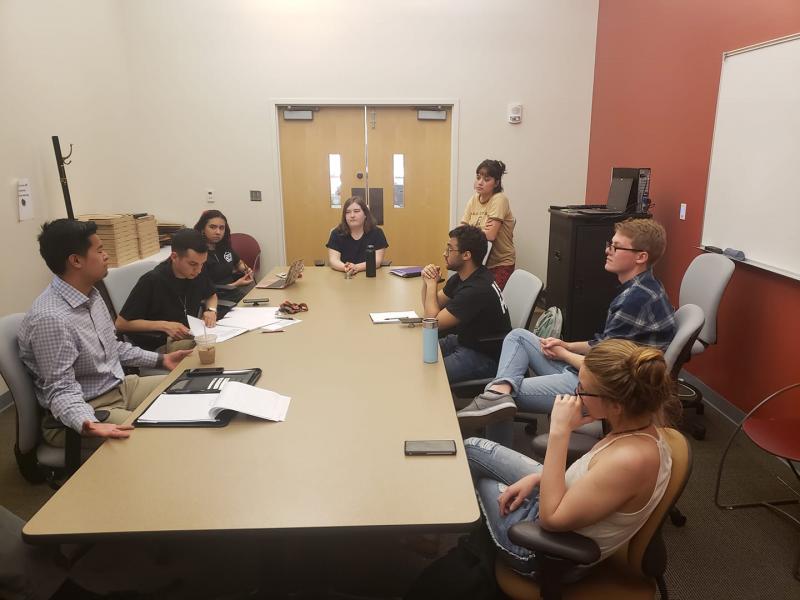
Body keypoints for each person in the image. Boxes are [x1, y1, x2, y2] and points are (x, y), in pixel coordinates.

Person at [457, 218, 676, 445]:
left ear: (641, 257)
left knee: (500, 398)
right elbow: (603, 344)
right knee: (518, 336)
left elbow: (608, 368)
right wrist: (567, 346)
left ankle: (495, 441)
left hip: (601, 387)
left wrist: (563, 354)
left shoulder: (636, 299)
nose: (608, 251)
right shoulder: (642, 287)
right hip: (590, 369)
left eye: (616, 247)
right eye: (610, 244)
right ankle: (501, 390)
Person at [464, 339, 674, 576]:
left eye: (582, 389)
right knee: (472, 448)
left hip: (545, 551)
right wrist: (537, 479)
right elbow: (587, 481)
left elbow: (551, 519)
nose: (576, 394)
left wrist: (559, 431)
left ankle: (471, 550)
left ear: (615, 406)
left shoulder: (630, 460)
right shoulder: (640, 427)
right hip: (564, 503)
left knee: (484, 482)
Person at [17, 219, 190, 446]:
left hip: (119, 387)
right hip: (90, 407)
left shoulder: (91, 295)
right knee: (156, 441)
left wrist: (161, 359)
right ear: (76, 260)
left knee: (188, 391)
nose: (106, 256)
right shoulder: (51, 319)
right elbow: (59, 390)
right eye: (99, 250)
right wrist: (88, 422)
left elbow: (113, 347)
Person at [421, 225, 511, 383]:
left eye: (450, 249)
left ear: (466, 255)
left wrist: (431, 284)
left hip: (484, 355)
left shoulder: (476, 289)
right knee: (417, 352)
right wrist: (427, 282)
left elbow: (432, 322)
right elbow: (432, 305)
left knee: (428, 374)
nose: (444, 254)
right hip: (466, 340)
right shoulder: (465, 276)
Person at [116, 228, 218, 352]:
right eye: (193, 264)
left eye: (202, 264)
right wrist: (164, 325)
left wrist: (211, 310)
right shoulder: (152, 280)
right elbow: (121, 324)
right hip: (159, 345)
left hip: (188, 337)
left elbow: (211, 295)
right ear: (174, 257)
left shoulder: (197, 272)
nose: (199, 270)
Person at [461, 159, 516, 289]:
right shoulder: (474, 199)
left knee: (489, 300)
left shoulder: (499, 199)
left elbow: (490, 235)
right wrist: (479, 230)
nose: (480, 182)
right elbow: (461, 231)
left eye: (486, 179)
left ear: (496, 183)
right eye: (478, 177)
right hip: (479, 262)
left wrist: (471, 230)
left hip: (500, 263)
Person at [193, 209, 254, 299]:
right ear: (203, 229)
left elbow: (238, 262)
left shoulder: (224, 247)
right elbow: (203, 289)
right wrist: (235, 284)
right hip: (216, 299)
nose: (218, 232)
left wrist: (246, 269)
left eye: (221, 228)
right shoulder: (198, 253)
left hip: (233, 293)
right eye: (212, 227)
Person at [326, 197, 388, 277]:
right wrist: (346, 268)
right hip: (343, 276)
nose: (352, 215)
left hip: (369, 276)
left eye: (356, 211)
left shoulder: (377, 233)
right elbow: (333, 260)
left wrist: (356, 267)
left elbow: (377, 260)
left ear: (365, 214)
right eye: (347, 212)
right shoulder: (336, 233)